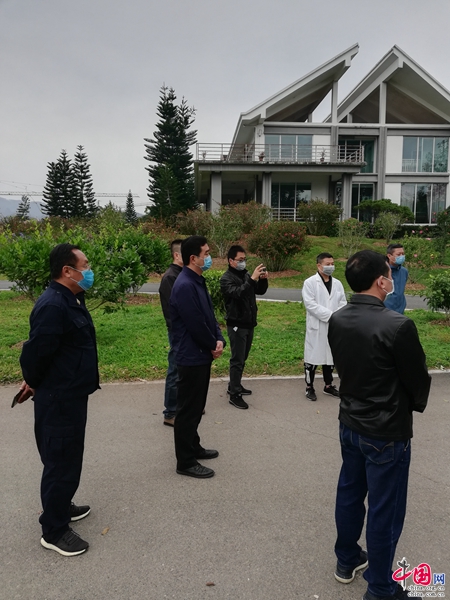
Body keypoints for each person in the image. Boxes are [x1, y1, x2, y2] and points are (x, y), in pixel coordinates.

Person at [328, 250, 430, 600]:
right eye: (389, 273)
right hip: (386, 431)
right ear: (381, 281)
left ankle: (347, 559)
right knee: (385, 509)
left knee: (350, 492)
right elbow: (417, 380)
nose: (392, 278)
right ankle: (381, 588)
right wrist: (410, 405)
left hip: (350, 422)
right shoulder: (397, 325)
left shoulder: (338, 318)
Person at [19, 243, 100, 557]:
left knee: (68, 458)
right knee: (60, 462)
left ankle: (62, 505)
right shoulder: (53, 305)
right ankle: (53, 530)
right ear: (68, 270)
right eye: (85, 265)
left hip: (72, 394)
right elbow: (35, 353)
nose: (89, 270)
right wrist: (33, 381)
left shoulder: (71, 298)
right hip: (59, 398)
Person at [170, 236, 225, 479]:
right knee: (188, 410)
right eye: (207, 253)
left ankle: (194, 446)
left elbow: (209, 317)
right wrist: (212, 344)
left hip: (201, 353)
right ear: (193, 258)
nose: (210, 257)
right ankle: (185, 461)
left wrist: (219, 338)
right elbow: (195, 324)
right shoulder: (184, 285)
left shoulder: (197, 281)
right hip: (191, 356)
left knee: (196, 407)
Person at [220, 245, 268, 409]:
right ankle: (234, 394)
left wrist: (262, 279)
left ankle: (234, 385)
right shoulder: (226, 279)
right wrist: (252, 279)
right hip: (236, 324)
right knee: (237, 360)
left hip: (249, 323)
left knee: (243, 357)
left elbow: (259, 291)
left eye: (244, 259)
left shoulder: (246, 275)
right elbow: (238, 293)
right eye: (240, 260)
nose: (243, 262)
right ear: (231, 261)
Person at [302, 252, 346, 401]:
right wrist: (330, 315)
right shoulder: (310, 283)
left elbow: (342, 303)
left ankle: (328, 385)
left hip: (333, 326)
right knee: (312, 357)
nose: (330, 267)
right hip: (317, 326)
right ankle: (309, 387)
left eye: (332, 264)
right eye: (327, 264)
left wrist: (337, 317)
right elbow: (310, 304)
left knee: (330, 357)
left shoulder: (338, 283)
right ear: (319, 265)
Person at [159, 239, 184, 427]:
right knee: (175, 370)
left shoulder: (184, 274)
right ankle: (170, 412)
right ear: (177, 255)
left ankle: (183, 406)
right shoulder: (170, 278)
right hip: (178, 332)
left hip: (187, 331)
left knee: (185, 370)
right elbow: (172, 311)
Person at [384, 243, 408, 314]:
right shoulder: (382, 271)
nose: (401, 256)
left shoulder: (404, 271)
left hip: (400, 311)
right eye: (398, 254)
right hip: (385, 310)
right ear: (389, 256)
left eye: (403, 254)